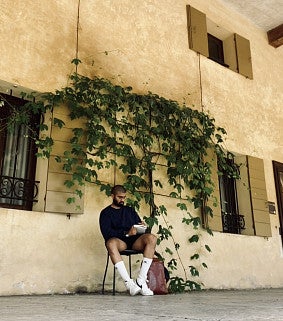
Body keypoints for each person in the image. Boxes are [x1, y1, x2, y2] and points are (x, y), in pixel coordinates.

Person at [99, 185, 157, 296]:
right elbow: (107, 234)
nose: (122, 200)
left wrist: (142, 227)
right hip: (120, 242)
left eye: (124, 197)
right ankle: (129, 283)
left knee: (152, 238)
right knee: (110, 243)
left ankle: (140, 281)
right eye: (119, 197)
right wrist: (126, 233)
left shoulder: (130, 210)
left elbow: (139, 230)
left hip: (135, 242)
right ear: (112, 196)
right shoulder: (105, 213)